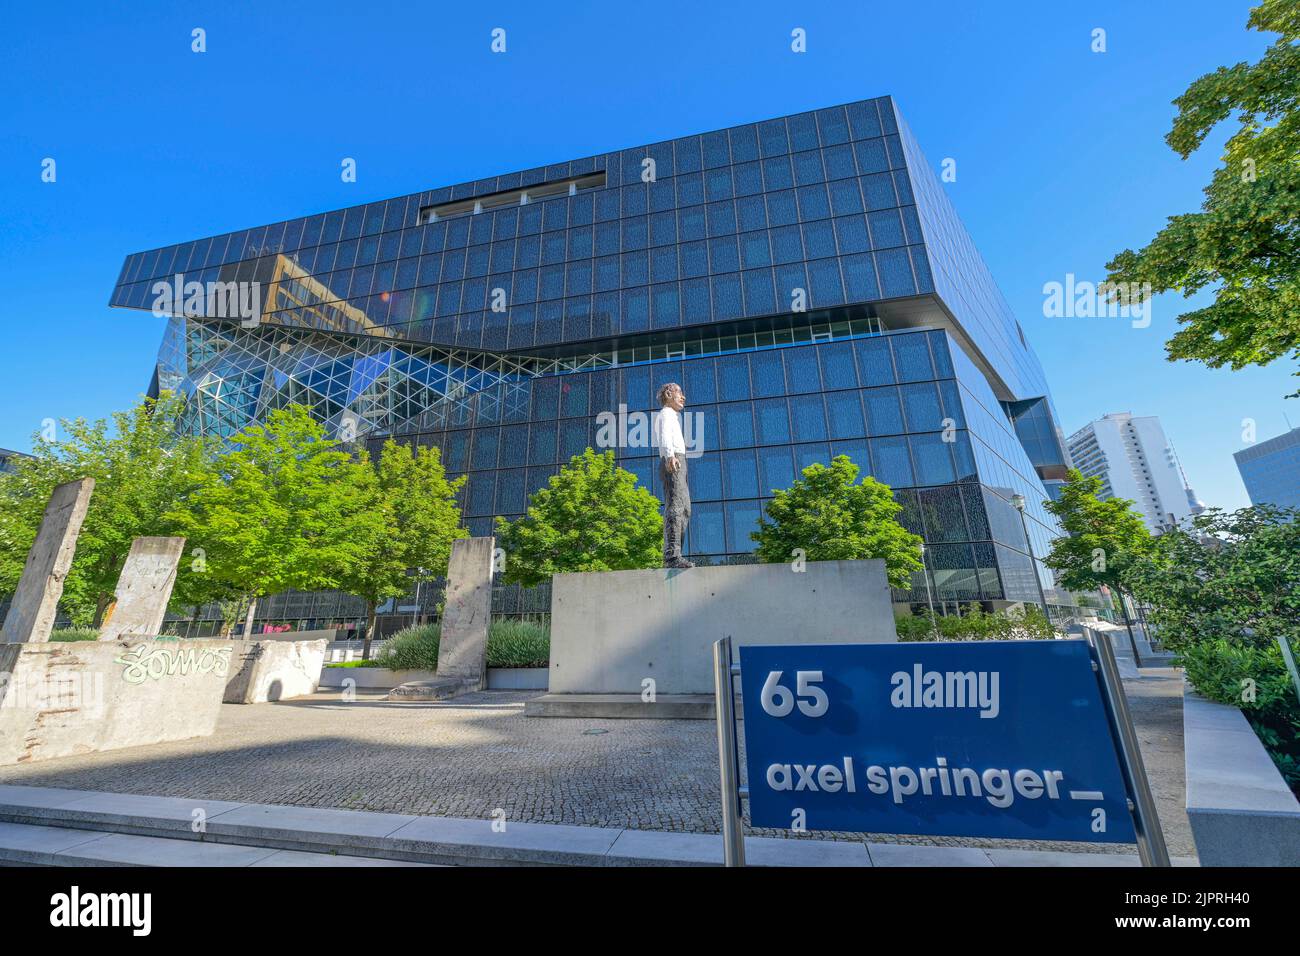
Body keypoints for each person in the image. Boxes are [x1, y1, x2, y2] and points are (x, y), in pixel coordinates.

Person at [654, 382, 693, 569]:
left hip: (679, 459)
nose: (683, 397)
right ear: (669, 394)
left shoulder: (673, 416)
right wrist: (670, 455)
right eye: (679, 392)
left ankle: (676, 554)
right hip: (673, 459)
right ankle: (672, 557)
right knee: (676, 507)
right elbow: (664, 436)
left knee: (685, 508)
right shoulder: (665, 414)